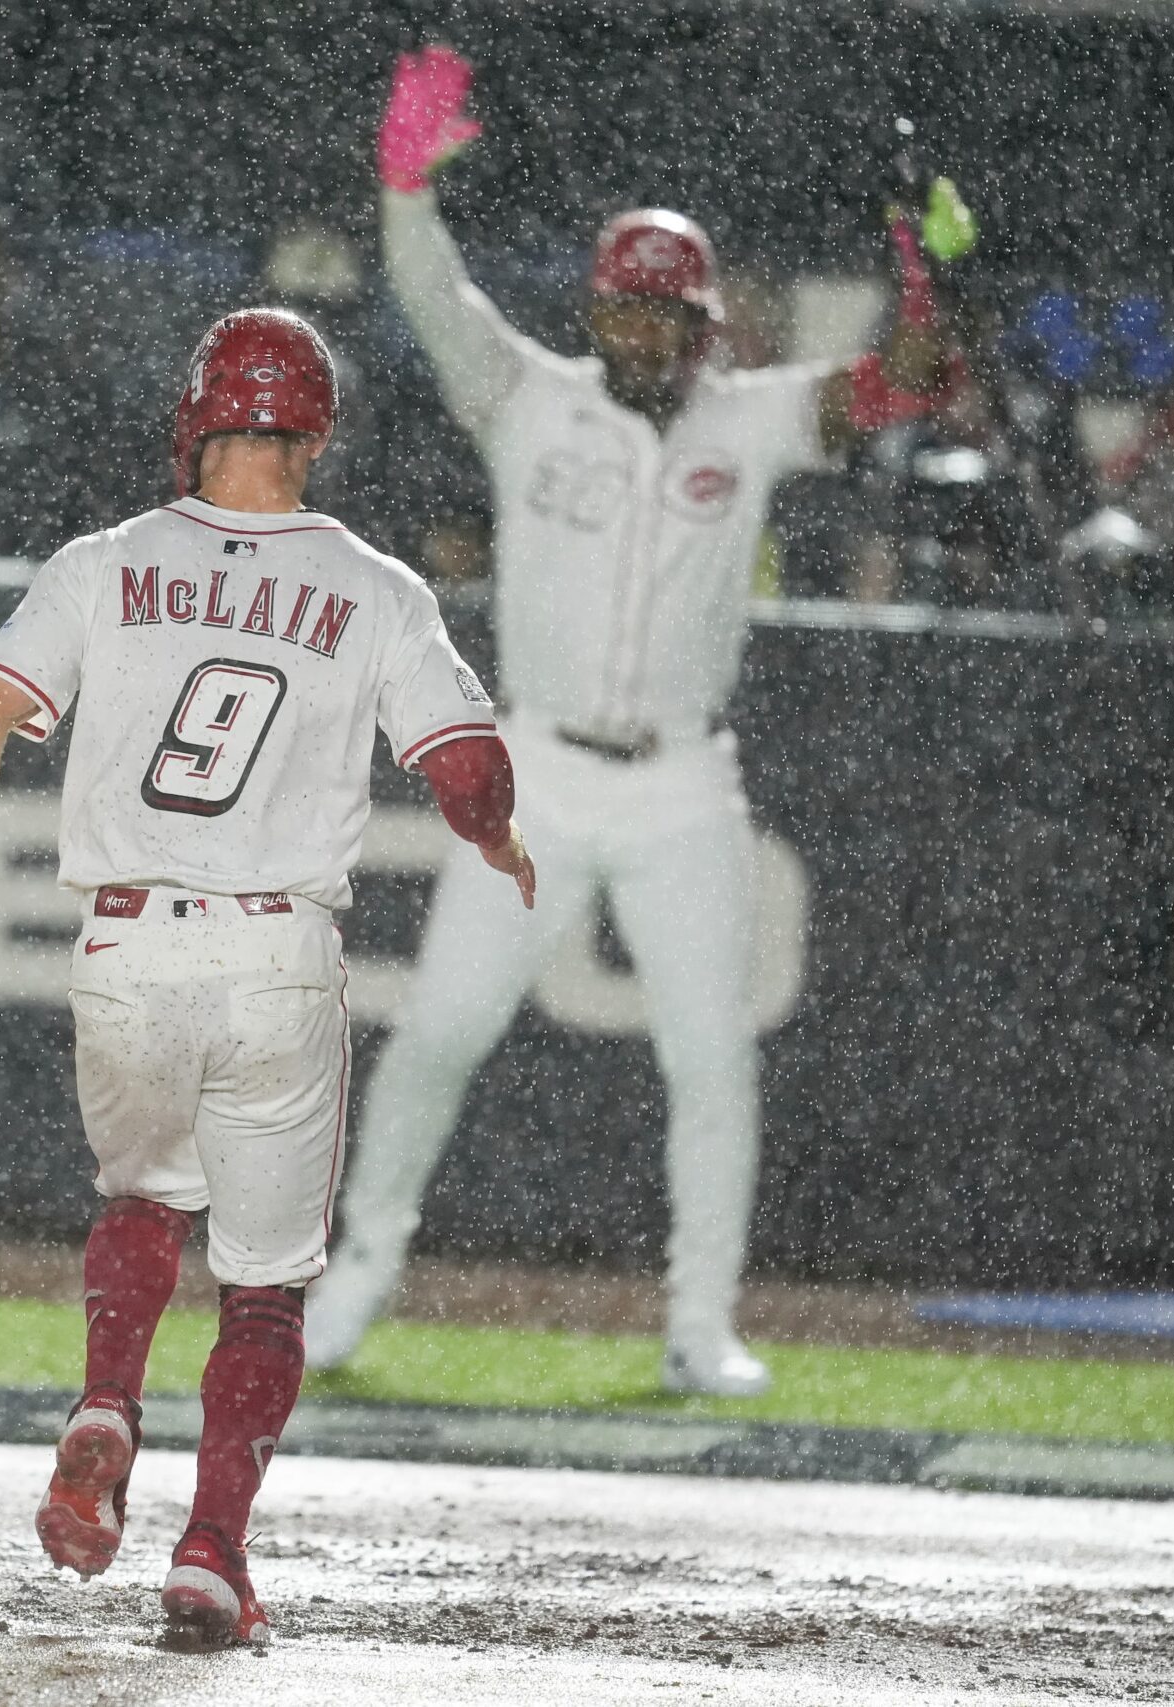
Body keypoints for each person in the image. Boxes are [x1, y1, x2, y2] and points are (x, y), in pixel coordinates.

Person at [304, 47, 956, 1396]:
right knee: (439, 1033)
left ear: (704, 324)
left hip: (679, 784)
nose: (646, 334)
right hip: (535, 767)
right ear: (598, 311)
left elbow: (900, 383)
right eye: (629, 311)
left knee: (714, 1061)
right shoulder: (526, 400)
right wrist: (405, 194)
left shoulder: (752, 419)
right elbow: (435, 300)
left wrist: (922, 269)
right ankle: (359, 1272)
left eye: (668, 316)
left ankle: (699, 1322)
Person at [0, 308, 535, 1648]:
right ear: (316, 431)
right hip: (272, 950)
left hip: (126, 939)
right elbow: (467, 769)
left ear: (199, 415)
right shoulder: (375, 586)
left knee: (141, 1194)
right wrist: (494, 831)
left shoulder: (105, 561)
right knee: (264, 1284)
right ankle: (210, 1551)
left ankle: (106, 1397)